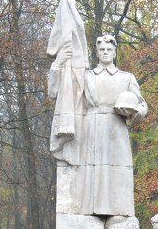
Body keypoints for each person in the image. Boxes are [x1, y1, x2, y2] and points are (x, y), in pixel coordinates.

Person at [47, 27, 147, 218]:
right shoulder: (86, 76)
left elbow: (142, 104)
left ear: (115, 52)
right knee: (89, 175)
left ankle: (118, 212)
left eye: (109, 49)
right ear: (97, 52)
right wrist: (58, 64)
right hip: (90, 128)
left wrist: (135, 112)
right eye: (101, 50)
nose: (105, 53)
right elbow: (58, 91)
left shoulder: (126, 78)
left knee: (116, 174)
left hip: (116, 128)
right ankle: (88, 210)